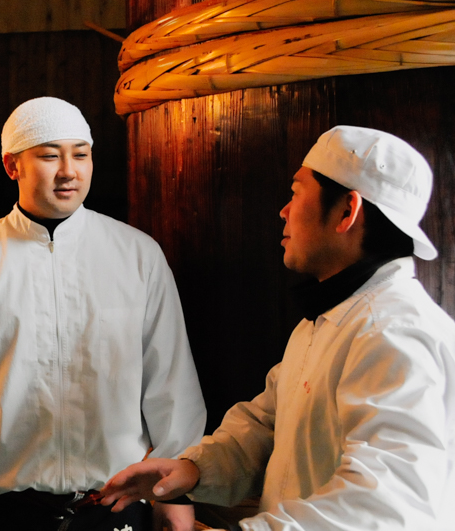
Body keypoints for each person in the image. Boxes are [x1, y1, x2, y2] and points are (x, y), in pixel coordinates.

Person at [100, 126, 455, 530]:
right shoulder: (331, 317)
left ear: (346, 212)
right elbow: (268, 425)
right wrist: (192, 470)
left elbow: (385, 503)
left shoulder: (392, 332)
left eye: (296, 192)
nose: (283, 211)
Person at [0, 97, 206, 531]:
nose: (69, 171)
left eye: (81, 154)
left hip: (117, 504)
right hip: (7, 510)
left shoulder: (138, 256)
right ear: (11, 165)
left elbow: (171, 382)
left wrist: (175, 495)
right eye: (50, 155)